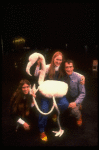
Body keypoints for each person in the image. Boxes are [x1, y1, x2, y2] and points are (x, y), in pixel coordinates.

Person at [61, 59, 86, 126]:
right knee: (60, 107)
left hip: (76, 98)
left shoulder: (79, 78)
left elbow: (82, 93)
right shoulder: (62, 76)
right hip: (66, 98)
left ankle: (79, 117)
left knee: (74, 111)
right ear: (64, 68)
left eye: (70, 67)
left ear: (73, 67)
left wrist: (76, 102)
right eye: (66, 67)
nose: (68, 69)